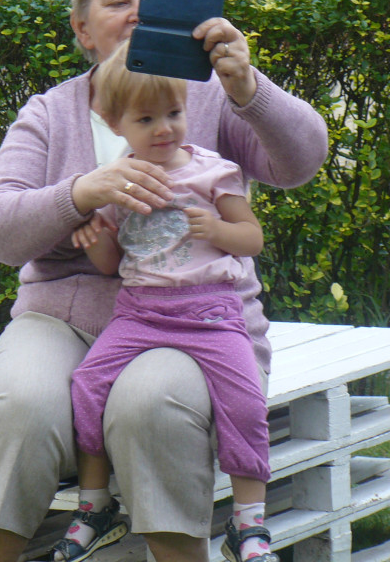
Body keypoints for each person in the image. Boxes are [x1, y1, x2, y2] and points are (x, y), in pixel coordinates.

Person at [0, 0, 328, 562]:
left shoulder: (204, 100)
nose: (133, 15)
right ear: (83, 28)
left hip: (191, 320)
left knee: (152, 401)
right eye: (117, 1)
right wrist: (79, 192)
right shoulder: (49, 113)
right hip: (64, 315)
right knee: (21, 405)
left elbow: (302, 162)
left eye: (150, 2)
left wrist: (248, 85)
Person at [55, 43, 275, 562]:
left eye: (174, 113)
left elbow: (253, 239)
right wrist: (95, 239)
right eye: (146, 118)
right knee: (87, 385)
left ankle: (249, 523)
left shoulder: (212, 171)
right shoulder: (117, 182)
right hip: (141, 312)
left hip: (212, 312)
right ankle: (94, 503)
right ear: (114, 123)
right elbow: (112, 264)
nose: (164, 129)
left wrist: (218, 228)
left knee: (243, 402)